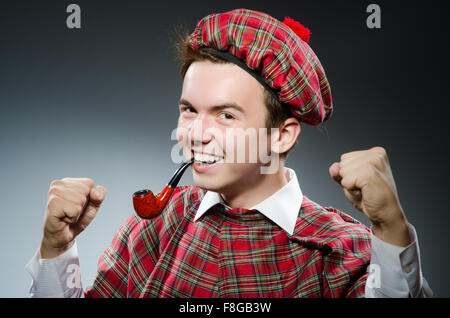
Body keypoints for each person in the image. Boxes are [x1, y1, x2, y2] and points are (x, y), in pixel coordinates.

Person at [26, 8, 432, 298]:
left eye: (225, 114)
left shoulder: (343, 251)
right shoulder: (153, 227)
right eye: (188, 110)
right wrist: (57, 250)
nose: (195, 135)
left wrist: (391, 233)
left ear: (282, 135)